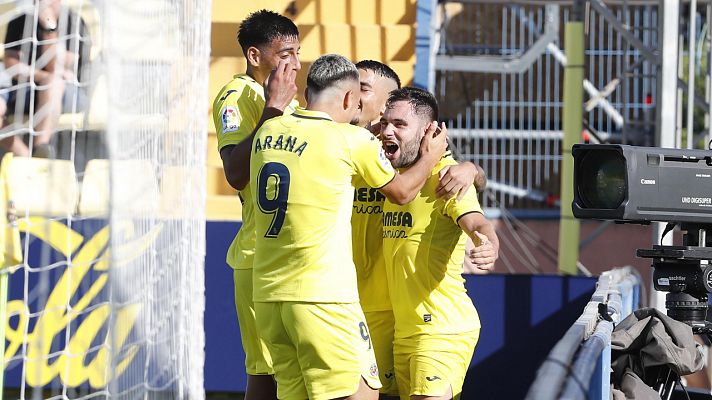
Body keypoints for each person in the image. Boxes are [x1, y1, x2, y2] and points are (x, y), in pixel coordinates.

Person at [249, 54, 447, 400]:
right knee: (363, 394)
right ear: (346, 99)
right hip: (323, 298)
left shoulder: (269, 130)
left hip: (269, 296)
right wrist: (432, 155)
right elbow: (401, 191)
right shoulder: (351, 141)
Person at [351, 60, 486, 399]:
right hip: (354, 309)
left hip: (397, 315)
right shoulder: (351, 148)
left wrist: (470, 170)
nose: (351, 94)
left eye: (362, 88)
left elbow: (458, 196)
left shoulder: (424, 166)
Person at [379, 87, 499, 400]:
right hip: (405, 332)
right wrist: (474, 168)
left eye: (400, 124)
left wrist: (488, 242)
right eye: (385, 122)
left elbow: (477, 222)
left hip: (440, 329)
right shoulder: (392, 177)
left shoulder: (445, 176)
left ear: (429, 131)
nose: (387, 131)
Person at [212, 9, 299, 400]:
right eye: (285, 54)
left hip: (292, 250)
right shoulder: (237, 97)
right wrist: (273, 110)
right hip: (257, 253)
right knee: (266, 374)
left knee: (299, 370)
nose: (295, 63)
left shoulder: (285, 99)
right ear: (254, 56)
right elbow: (234, 172)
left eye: (298, 53)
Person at [2, 0, 88, 157]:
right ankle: (29, 156)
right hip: (25, 91)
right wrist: (44, 77)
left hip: (65, 94)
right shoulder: (19, 21)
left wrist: (49, 27)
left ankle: (41, 145)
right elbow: (11, 65)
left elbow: (55, 66)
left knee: (53, 84)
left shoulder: (74, 22)